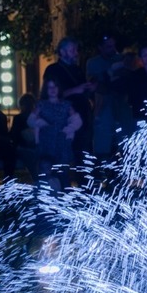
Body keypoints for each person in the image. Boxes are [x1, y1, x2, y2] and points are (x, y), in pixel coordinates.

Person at [44, 37, 96, 168]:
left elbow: (82, 90)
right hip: (63, 119)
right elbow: (49, 95)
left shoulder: (77, 69)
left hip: (82, 117)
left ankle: (84, 179)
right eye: (72, 50)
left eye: (76, 50)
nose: (76, 53)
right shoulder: (53, 70)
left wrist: (89, 88)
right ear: (62, 52)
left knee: (83, 153)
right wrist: (75, 90)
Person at [29, 76, 82, 191]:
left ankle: (64, 196)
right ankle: (46, 196)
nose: (53, 90)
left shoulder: (66, 104)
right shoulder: (41, 104)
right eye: (50, 87)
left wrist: (68, 129)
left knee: (63, 172)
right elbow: (31, 120)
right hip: (46, 142)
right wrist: (41, 123)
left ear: (59, 88)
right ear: (46, 89)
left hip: (61, 142)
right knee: (46, 170)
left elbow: (77, 120)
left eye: (55, 87)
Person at [86, 35, 127, 162]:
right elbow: (94, 84)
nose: (112, 48)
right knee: (102, 147)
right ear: (100, 47)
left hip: (121, 108)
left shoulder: (121, 59)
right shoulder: (93, 63)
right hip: (102, 109)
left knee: (123, 146)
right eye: (108, 46)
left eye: (113, 45)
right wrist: (109, 74)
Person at [10, 92, 40, 182]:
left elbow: (14, 135)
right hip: (29, 147)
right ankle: (38, 180)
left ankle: (37, 180)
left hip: (24, 147)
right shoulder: (36, 118)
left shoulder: (19, 118)